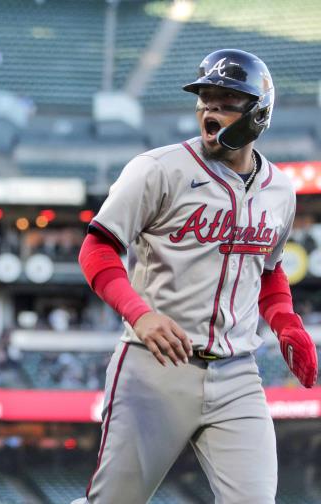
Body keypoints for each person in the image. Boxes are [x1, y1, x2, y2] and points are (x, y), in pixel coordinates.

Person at [75, 49, 318, 503]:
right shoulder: (158, 169)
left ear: (258, 113)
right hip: (154, 367)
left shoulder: (281, 190)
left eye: (226, 101)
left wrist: (286, 321)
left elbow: (269, 268)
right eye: (205, 98)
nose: (210, 110)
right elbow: (97, 248)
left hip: (238, 373)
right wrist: (140, 315)